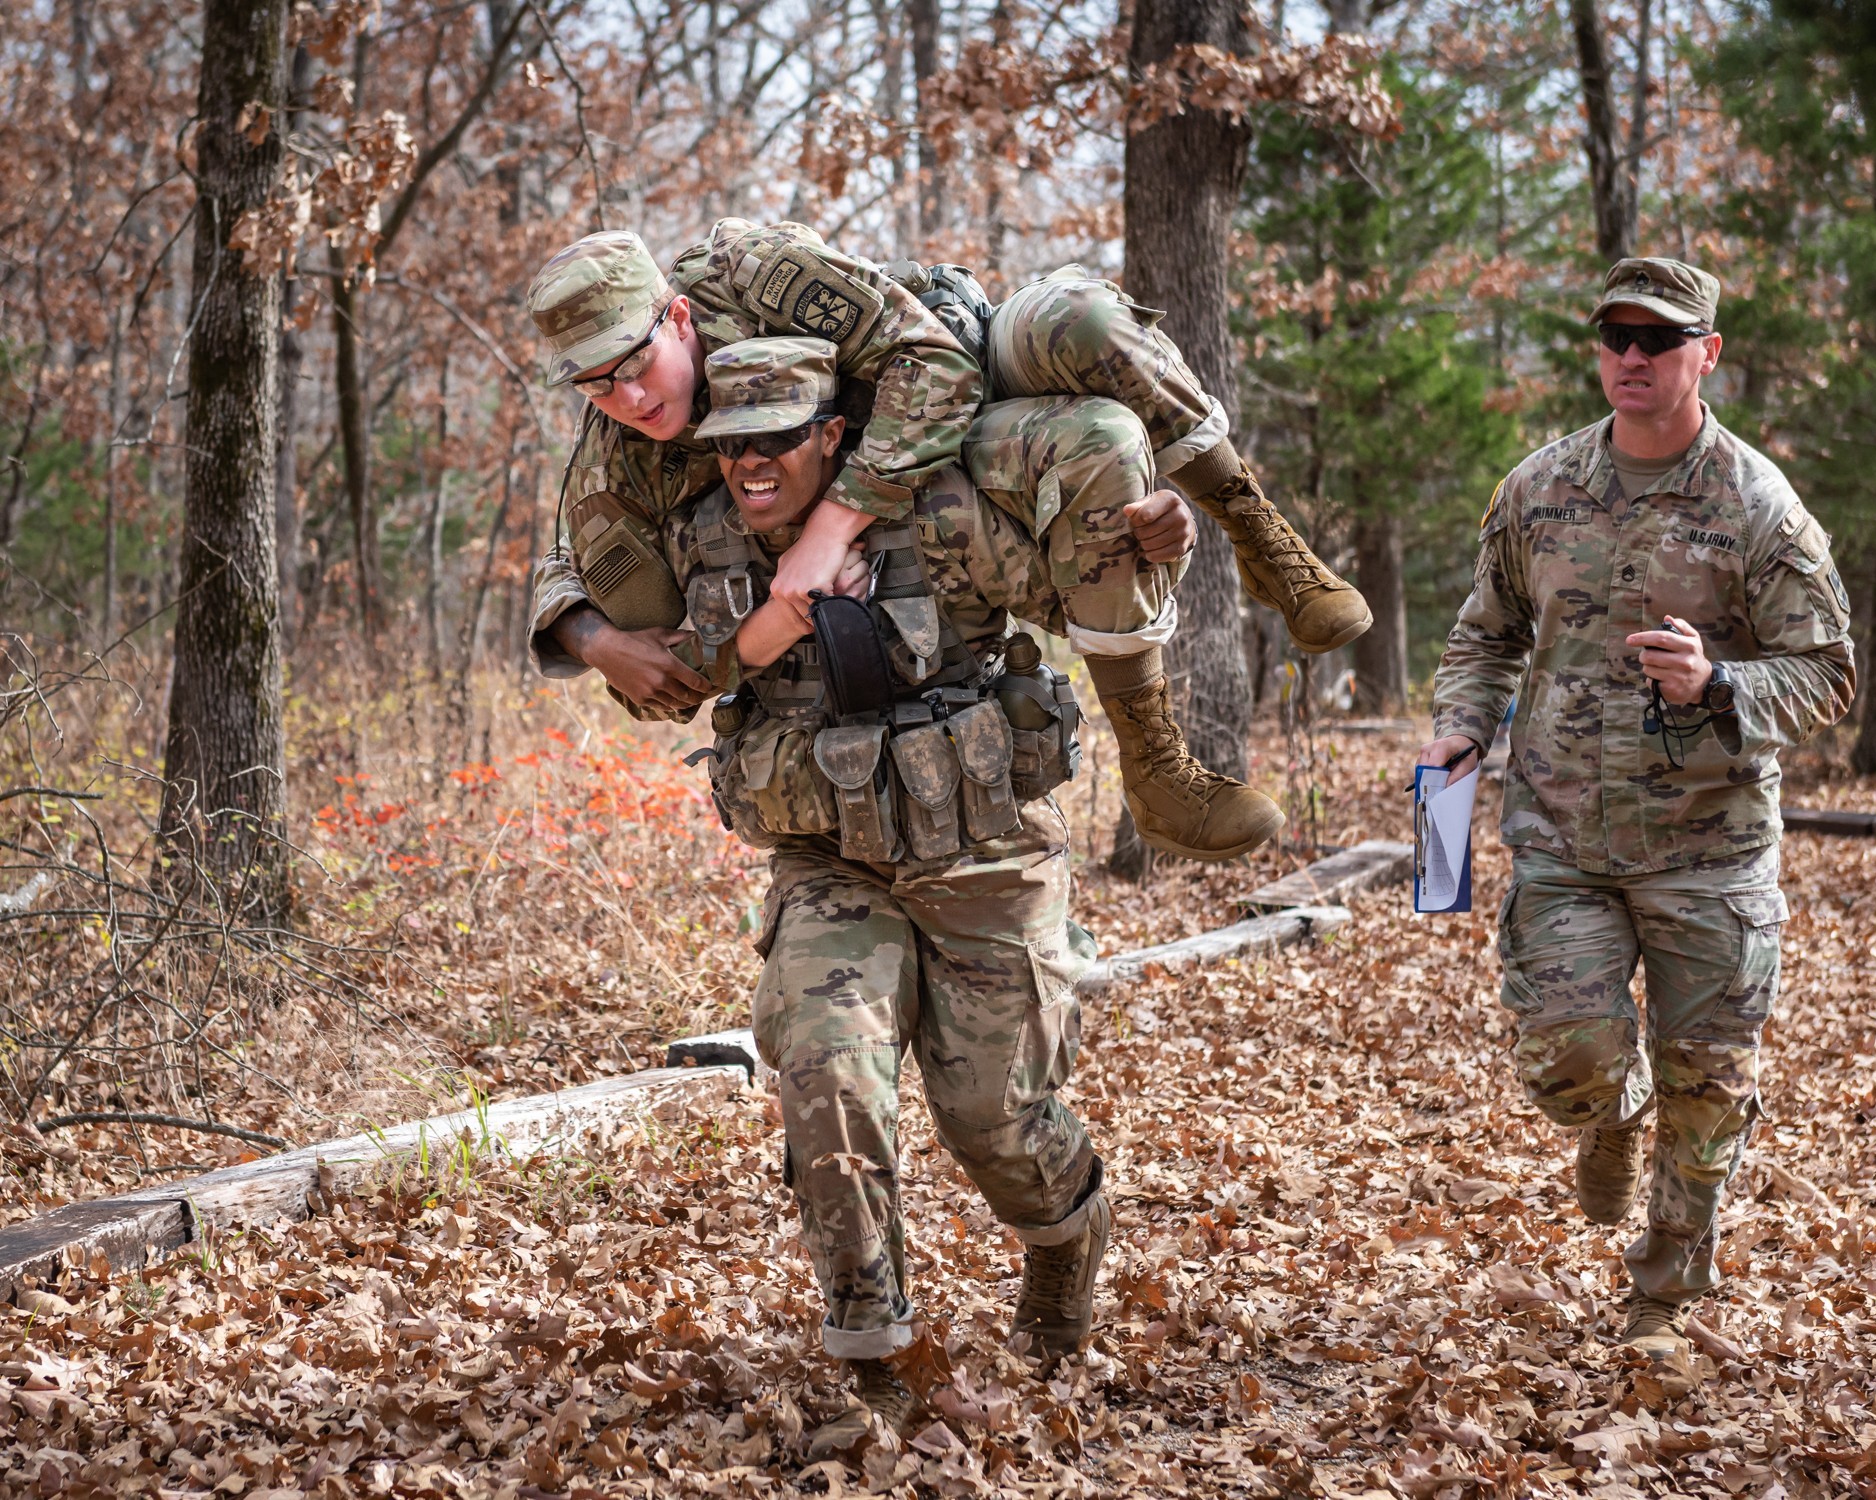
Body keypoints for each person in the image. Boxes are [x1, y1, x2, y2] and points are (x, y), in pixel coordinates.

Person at [533, 333, 1216, 1428]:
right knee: (828, 1077)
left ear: (837, 436)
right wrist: (702, 633)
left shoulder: (936, 515)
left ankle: (1063, 1233)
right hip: (831, 860)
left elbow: (1080, 580)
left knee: (995, 1122)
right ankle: (871, 1364)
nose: (752, 464)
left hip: (984, 852)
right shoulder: (707, 536)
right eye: (731, 445)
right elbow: (643, 635)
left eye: (779, 439)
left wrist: (1158, 538)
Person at [526, 225, 1369, 857]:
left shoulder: (756, 273)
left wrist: (828, 528)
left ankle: (1265, 542)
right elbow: (587, 571)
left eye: (637, 363)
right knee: (1102, 444)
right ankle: (1155, 777)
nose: (628, 396)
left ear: (677, 317)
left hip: (959, 382)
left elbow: (936, 367)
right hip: (913, 489)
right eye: (597, 384)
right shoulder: (616, 459)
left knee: (1088, 320)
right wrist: (587, 635)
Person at [1416, 258, 1856, 1353]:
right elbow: (1486, 633)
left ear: (1706, 353)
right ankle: (1609, 1120)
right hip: (1564, 832)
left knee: (1706, 1091)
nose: (1631, 356)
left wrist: (1720, 684)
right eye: (1614, 335)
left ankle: (1663, 1299)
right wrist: (1462, 726)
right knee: (1568, 1056)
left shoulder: (1758, 506)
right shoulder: (1539, 489)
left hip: (1710, 851)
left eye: (1657, 339)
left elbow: (1830, 674)